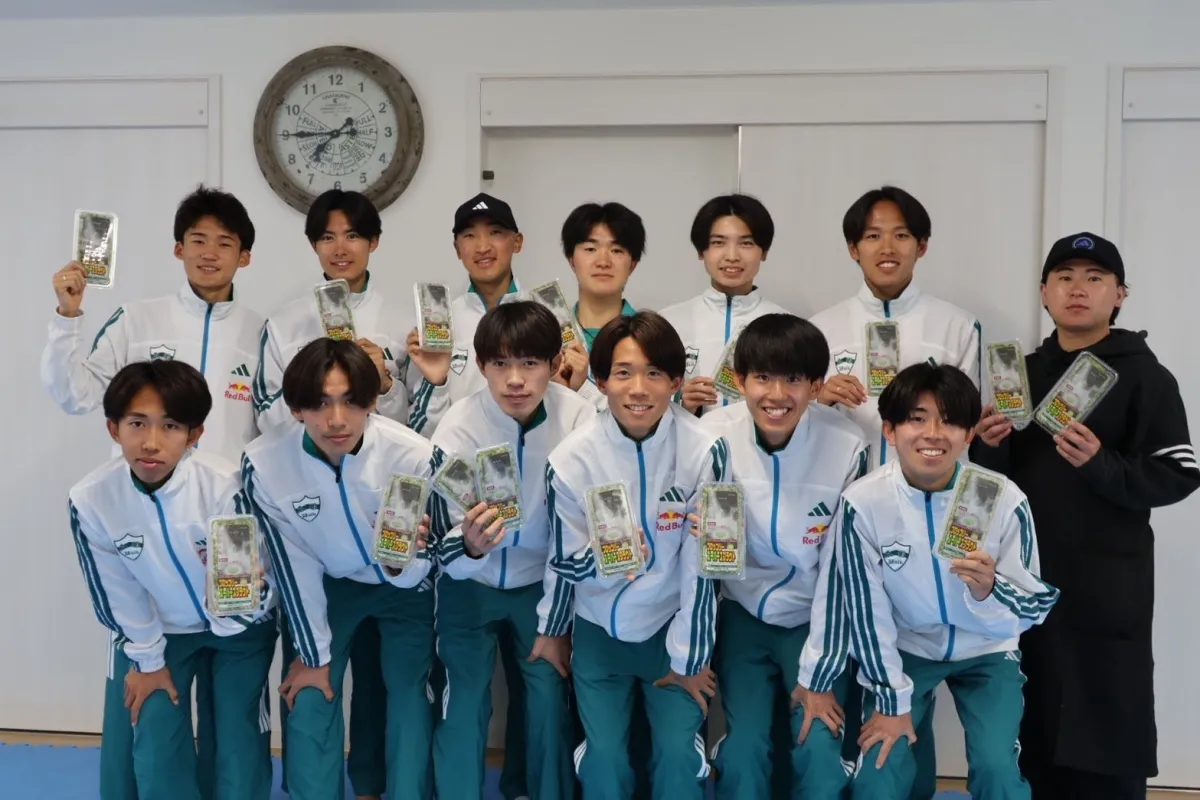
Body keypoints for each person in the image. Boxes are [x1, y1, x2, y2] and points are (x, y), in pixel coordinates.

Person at [42, 186, 263, 800]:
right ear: (177, 248)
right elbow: (75, 394)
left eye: (224, 243)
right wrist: (67, 318)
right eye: (197, 240)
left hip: (224, 536)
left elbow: (278, 426)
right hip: (145, 537)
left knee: (235, 732)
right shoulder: (137, 319)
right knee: (141, 717)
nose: (209, 253)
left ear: (244, 256)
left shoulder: (260, 331)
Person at [972, 233, 1200, 799]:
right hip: (1027, 576)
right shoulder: (1017, 374)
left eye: (1095, 278)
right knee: (1032, 711)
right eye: (1065, 276)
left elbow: (1179, 472)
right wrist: (989, 446)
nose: (1078, 288)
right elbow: (987, 488)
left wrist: (1103, 465)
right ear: (1044, 292)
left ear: (1120, 295)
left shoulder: (1146, 376)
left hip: (1108, 581)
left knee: (1108, 713)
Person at [250, 189, 448, 799]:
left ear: (373, 242)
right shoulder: (269, 464)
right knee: (312, 686)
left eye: (354, 234)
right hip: (326, 575)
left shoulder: (412, 451)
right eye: (328, 236)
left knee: (404, 696)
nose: (336, 416)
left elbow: (419, 408)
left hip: (401, 581)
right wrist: (312, 655)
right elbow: (294, 561)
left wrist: (418, 556)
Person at [810, 186, 981, 794]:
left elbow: (965, 434)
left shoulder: (954, 325)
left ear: (922, 245)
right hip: (848, 518)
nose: (888, 246)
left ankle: (912, 787)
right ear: (852, 247)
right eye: (873, 235)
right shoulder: (823, 327)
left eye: (902, 234)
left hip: (927, 518)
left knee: (915, 667)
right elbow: (791, 422)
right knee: (855, 661)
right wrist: (817, 395)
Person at [839, 363, 1059, 800]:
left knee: (997, 769)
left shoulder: (1003, 497)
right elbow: (866, 614)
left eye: (950, 421)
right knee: (880, 770)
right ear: (890, 430)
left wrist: (990, 589)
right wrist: (891, 699)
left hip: (987, 650)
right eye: (917, 419)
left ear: (969, 434)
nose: (933, 434)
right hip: (907, 649)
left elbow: (1035, 605)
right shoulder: (863, 502)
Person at [68, 360, 277, 799]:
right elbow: (116, 592)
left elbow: (248, 586)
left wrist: (233, 613)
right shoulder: (92, 499)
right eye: (137, 424)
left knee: (236, 740)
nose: (151, 442)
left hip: (238, 630)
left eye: (170, 426)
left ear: (194, 434)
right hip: (161, 631)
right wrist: (147, 659)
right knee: (155, 735)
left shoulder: (224, 486)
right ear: (113, 429)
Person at [545, 311, 727, 798]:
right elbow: (563, 559)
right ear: (601, 381)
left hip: (672, 628)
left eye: (654, 373)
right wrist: (606, 560)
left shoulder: (705, 450)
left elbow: (706, 566)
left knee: (677, 755)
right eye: (623, 373)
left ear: (676, 381)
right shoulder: (570, 459)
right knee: (603, 758)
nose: (639, 389)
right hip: (599, 632)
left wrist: (690, 655)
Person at [697, 313, 868, 798]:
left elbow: (842, 569)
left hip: (814, 616)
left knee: (818, 741)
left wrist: (820, 671)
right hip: (741, 611)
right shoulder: (713, 435)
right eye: (762, 378)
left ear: (816, 385)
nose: (776, 395)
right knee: (743, 748)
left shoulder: (847, 444)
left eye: (793, 379)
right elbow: (700, 560)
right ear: (740, 381)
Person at [430, 301, 596, 799]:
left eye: (530, 363)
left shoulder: (580, 419)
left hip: (543, 584)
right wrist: (469, 546)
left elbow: (582, 530)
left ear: (555, 363)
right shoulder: (457, 427)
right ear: (482, 366)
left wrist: (557, 621)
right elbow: (441, 543)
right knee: (464, 701)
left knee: (547, 695)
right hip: (469, 584)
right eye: (501, 364)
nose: (516, 380)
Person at [412, 191, 534, 800]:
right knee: (461, 692)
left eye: (496, 233)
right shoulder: (437, 318)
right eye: (470, 235)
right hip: (462, 527)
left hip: (533, 546)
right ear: (457, 246)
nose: (483, 246)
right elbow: (417, 435)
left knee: (540, 693)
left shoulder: (546, 314)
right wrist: (434, 381)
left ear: (517, 241)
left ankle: (524, 787)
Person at [660, 193, 787, 417]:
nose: (732, 256)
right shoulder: (667, 323)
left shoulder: (786, 326)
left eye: (746, 243)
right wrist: (681, 402)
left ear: (764, 252)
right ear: (701, 251)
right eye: (718, 243)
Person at [556, 201, 643, 408]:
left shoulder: (651, 338)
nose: (603, 261)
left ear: (632, 264)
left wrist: (582, 388)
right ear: (571, 260)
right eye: (590, 248)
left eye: (617, 250)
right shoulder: (548, 336)